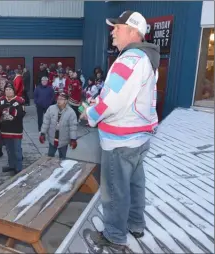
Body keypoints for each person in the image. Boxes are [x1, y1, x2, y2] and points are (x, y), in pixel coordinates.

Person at [81, 10, 160, 249]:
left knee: (115, 189)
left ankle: (115, 234)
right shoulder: (147, 58)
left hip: (120, 139)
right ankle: (135, 224)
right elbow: (125, 98)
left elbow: (113, 100)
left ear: (133, 31)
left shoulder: (128, 59)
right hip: (139, 137)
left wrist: (90, 114)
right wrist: (101, 103)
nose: (112, 31)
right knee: (135, 183)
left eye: (118, 27)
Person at [0, 83, 25, 174]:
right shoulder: (0, 100)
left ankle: (18, 168)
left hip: (16, 130)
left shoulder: (19, 100)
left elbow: (21, 114)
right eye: (6, 90)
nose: (8, 91)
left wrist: (11, 109)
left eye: (10, 89)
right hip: (5, 130)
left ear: (13, 91)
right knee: (9, 150)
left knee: (17, 150)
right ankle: (11, 166)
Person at [39, 93, 77, 159]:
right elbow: (46, 122)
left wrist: (73, 139)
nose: (59, 101)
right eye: (58, 99)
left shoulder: (71, 112)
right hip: (52, 139)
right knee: (49, 157)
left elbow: (73, 127)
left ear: (66, 101)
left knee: (62, 159)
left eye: (61, 99)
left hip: (63, 140)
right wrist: (42, 133)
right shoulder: (51, 108)